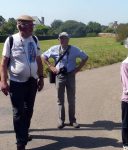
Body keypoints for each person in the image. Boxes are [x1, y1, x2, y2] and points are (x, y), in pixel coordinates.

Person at [0, 15, 44, 150]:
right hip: (17, 83)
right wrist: (3, 81)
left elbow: (38, 60)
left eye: (33, 25)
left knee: (29, 110)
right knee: (19, 112)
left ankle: (24, 133)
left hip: (32, 82)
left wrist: (41, 77)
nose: (32, 28)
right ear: (20, 26)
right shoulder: (11, 40)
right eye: (30, 25)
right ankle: (21, 143)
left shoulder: (35, 39)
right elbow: (4, 63)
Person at [42, 32, 88, 129]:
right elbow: (43, 56)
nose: (63, 40)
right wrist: (51, 66)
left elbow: (85, 57)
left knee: (71, 99)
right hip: (59, 76)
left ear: (68, 39)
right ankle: (61, 120)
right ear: (58, 40)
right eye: (61, 38)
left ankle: (72, 120)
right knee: (60, 100)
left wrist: (77, 69)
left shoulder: (74, 49)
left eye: (65, 38)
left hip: (71, 75)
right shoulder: (54, 49)